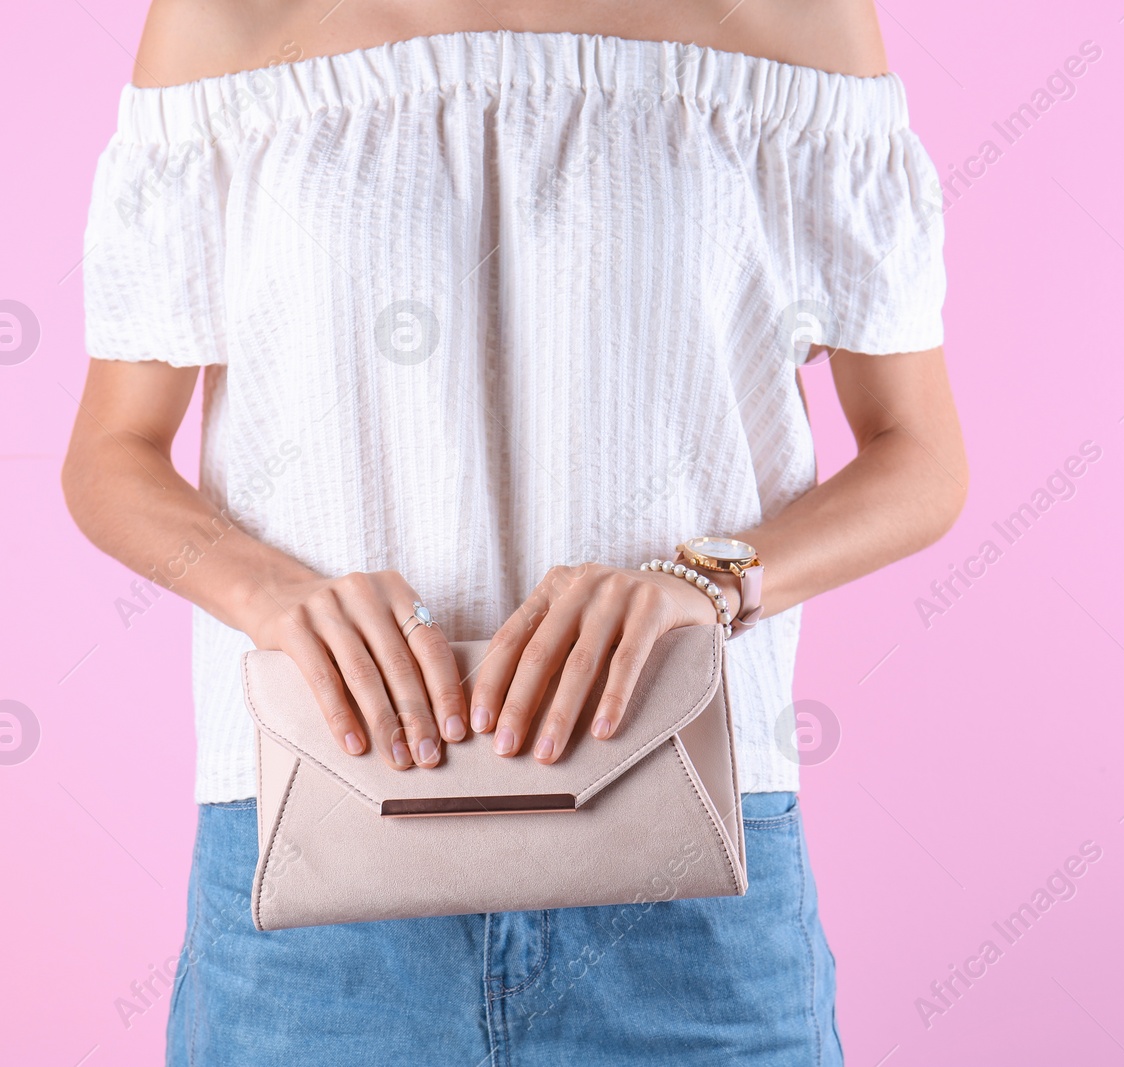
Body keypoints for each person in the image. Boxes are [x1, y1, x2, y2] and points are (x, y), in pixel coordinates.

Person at [62, 1, 967, 1063]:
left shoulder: (786, 22)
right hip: (317, 845)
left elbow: (919, 454)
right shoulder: (233, 22)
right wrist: (274, 595)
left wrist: (710, 579)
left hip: (684, 842)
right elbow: (111, 455)